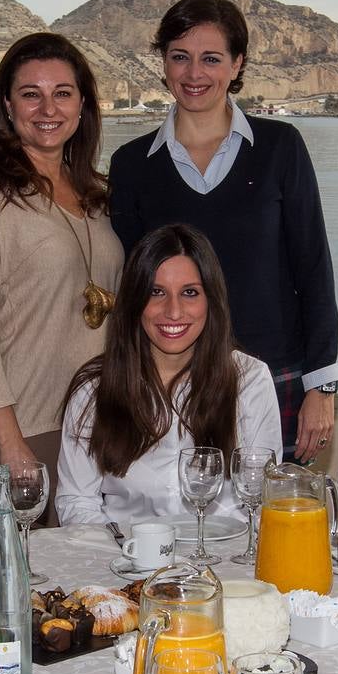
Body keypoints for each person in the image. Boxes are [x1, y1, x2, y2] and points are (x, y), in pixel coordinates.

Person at [108, 0, 338, 463]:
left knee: (270, 526)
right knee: (184, 523)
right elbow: (137, 292)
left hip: (276, 375)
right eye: (181, 58)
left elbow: (313, 267)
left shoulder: (281, 148)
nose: (195, 74)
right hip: (173, 385)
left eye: (211, 59)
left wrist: (323, 387)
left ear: (237, 65)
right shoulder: (131, 166)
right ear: (164, 64)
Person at [0, 32, 123, 501]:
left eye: (62, 94)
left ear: (82, 104)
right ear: (7, 106)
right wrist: (10, 440)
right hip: (27, 433)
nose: (48, 109)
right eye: (31, 94)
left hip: (101, 424)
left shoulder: (100, 196)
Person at [56, 223, 281, 525]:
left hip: (223, 563)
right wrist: (128, 552)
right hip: (126, 563)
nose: (173, 311)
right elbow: (76, 502)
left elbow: (264, 502)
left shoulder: (250, 380)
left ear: (211, 300)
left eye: (189, 293)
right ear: (135, 301)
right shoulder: (93, 390)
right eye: (156, 292)